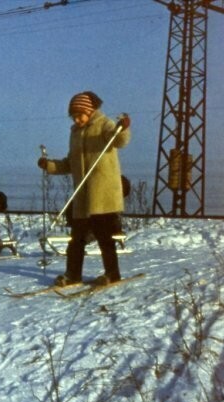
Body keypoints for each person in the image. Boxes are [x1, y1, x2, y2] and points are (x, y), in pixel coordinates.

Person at [38, 91, 131, 286]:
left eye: (80, 115)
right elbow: (70, 163)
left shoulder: (104, 125)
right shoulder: (75, 134)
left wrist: (123, 128)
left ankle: (112, 274)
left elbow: (119, 141)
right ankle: (73, 275)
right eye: (73, 117)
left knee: (104, 237)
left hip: (102, 195)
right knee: (76, 238)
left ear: (89, 112)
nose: (77, 120)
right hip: (82, 194)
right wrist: (50, 166)